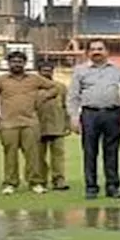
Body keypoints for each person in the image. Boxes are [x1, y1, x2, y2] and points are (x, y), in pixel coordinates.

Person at [0, 50, 57, 195]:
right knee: (10, 155)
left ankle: (35, 183)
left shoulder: (34, 79)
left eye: (20, 62)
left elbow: (54, 88)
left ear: (25, 63)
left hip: (30, 122)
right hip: (8, 123)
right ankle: (10, 183)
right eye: (13, 62)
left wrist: (42, 98)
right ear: (9, 63)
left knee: (33, 155)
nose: (17, 64)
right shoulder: (0, 80)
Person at [67, 38, 120, 200]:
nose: (96, 52)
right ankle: (91, 187)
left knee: (112, 152)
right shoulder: (80, 71)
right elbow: (73, 95)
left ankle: (113, 186)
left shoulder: (118, 70)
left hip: (112, 114)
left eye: (100, 48)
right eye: (93, 49)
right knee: (90, 152)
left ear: (107, 52)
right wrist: (73, 117)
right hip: (89, 114)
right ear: (88, 53)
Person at [35, 61, 71, 191]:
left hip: (57, 125)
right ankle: (40, 181)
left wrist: (68, 123)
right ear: (38, 71)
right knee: (38, 156)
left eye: (49, 70)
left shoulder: (60, 87)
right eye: (43, 70)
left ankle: (59, 180)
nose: (46, 73)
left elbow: (66, 106)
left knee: (58, 156)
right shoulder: (33, 88)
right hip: (38, 126)